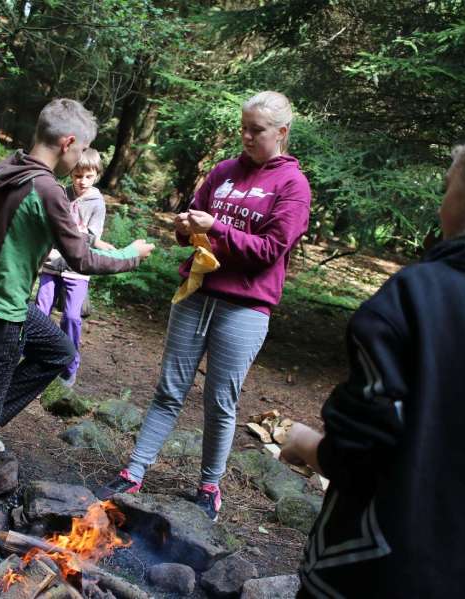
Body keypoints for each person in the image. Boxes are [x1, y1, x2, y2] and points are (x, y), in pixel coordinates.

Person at [279, 90, 465, 598]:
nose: (444, 200)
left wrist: (305, 444)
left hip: (366, 578)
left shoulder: (418, 296)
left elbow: (357, 454)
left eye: (448, 185)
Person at [0, 99, 154, 555]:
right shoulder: (47, 188)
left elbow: (43, 238)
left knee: (57, 351)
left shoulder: (13, 167)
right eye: (82, 150)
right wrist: (130, 255)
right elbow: (81, 258)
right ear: (68, 142)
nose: (80, 160)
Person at [96, 91, 312, 522]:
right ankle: (134, 472)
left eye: (257, 130)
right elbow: (195, 220)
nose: (246, 136)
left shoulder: (292, 185)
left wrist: (217, 228)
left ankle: (209, 487)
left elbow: (271, 250)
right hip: (196, 294)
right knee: (169, 389)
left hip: (245, 307)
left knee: (219, 401)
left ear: (282, 132)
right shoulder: (224, 171)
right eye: (243, 128)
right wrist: (185, 226)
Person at [35, 148, 112, 387]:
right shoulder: (61, 193)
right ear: (71, 174)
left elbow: (91, 236)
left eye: (89, 176)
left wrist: (72, 233)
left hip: (77, 268)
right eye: (78, 176)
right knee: (40, 310)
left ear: (97, 175)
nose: (83, 181)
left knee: (70, 316)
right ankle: (36, 355)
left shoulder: (97, 203)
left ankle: (70, 366)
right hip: (51, 263)